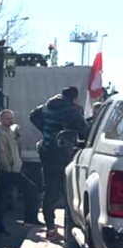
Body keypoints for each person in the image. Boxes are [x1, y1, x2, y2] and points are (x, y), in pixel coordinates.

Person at [29, 86, 90, 234]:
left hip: (47, 149)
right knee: (68, 188)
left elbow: (32, 115)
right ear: (74, 97)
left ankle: (50, 225)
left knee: (49, 187)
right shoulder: (71, 109)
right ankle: (70, 226)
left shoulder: (47, 105)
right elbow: (85, 130)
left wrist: (46, 130)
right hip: (64, 151)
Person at [0, 109, 39, 232]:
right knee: (1, 201)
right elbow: (2, 152)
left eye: (11, 118)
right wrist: (8, 167)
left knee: (31, 189)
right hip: (6, 171)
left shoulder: (10, 131)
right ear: (1, 119)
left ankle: (30, 219)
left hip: (15, 170)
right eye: (8, 118)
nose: (11, 120)